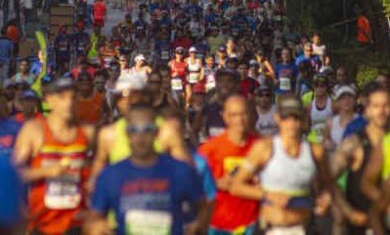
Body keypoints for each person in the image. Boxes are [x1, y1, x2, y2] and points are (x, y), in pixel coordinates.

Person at [86, 103, 208, 235]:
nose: (141, 137)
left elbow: (203, 206)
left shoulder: (181, 171)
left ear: (156, 132)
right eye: (134, 130)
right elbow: (94, 218)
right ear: (127, 134)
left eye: (147, 129)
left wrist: (198, 226)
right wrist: (95, 227)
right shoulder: (110, 175)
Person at [231, 96, 334, 234]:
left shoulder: (316, 151)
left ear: (303, 119)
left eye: (296, 117)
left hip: (304, 227)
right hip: (270, 227)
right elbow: (236, 186)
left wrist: (326, 198)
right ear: (277, 118)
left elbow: (329, 184)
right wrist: (267, 195)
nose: (291, 123)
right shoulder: (265, 148)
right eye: (286, 118)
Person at [13, 77, 94, 235]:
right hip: (42, 223)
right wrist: (46, 172)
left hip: (77, 224)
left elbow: (100, 172)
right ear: (49, 100)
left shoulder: (88, 133)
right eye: (62, 98)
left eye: (72, 97)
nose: (68, 103)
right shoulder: (34, 130)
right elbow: (13, 175)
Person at [332, 84, 390, 235]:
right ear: (367, 109)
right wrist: (347, 211)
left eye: (386, 105)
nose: (382, 111)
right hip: (362, 225)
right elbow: (329, 177)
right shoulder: (354, 143)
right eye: (376, 106)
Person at [199, 95, 260, 234]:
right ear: (225, 117)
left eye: (243, 114)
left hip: (250, 225)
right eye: (234, 115)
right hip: (218, 225)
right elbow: (193, 186)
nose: (239, 120)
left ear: (250, 115)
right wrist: (217, 183)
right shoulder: (210, 149)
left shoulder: (261, 146)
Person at [324, 85, 358, 151]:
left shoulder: (362, 121)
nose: (346, 101)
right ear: (337, 102)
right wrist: (327, 144)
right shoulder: (330, 123)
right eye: (342, 98)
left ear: (355, 101)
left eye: (350, 97)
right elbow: (325, 142)